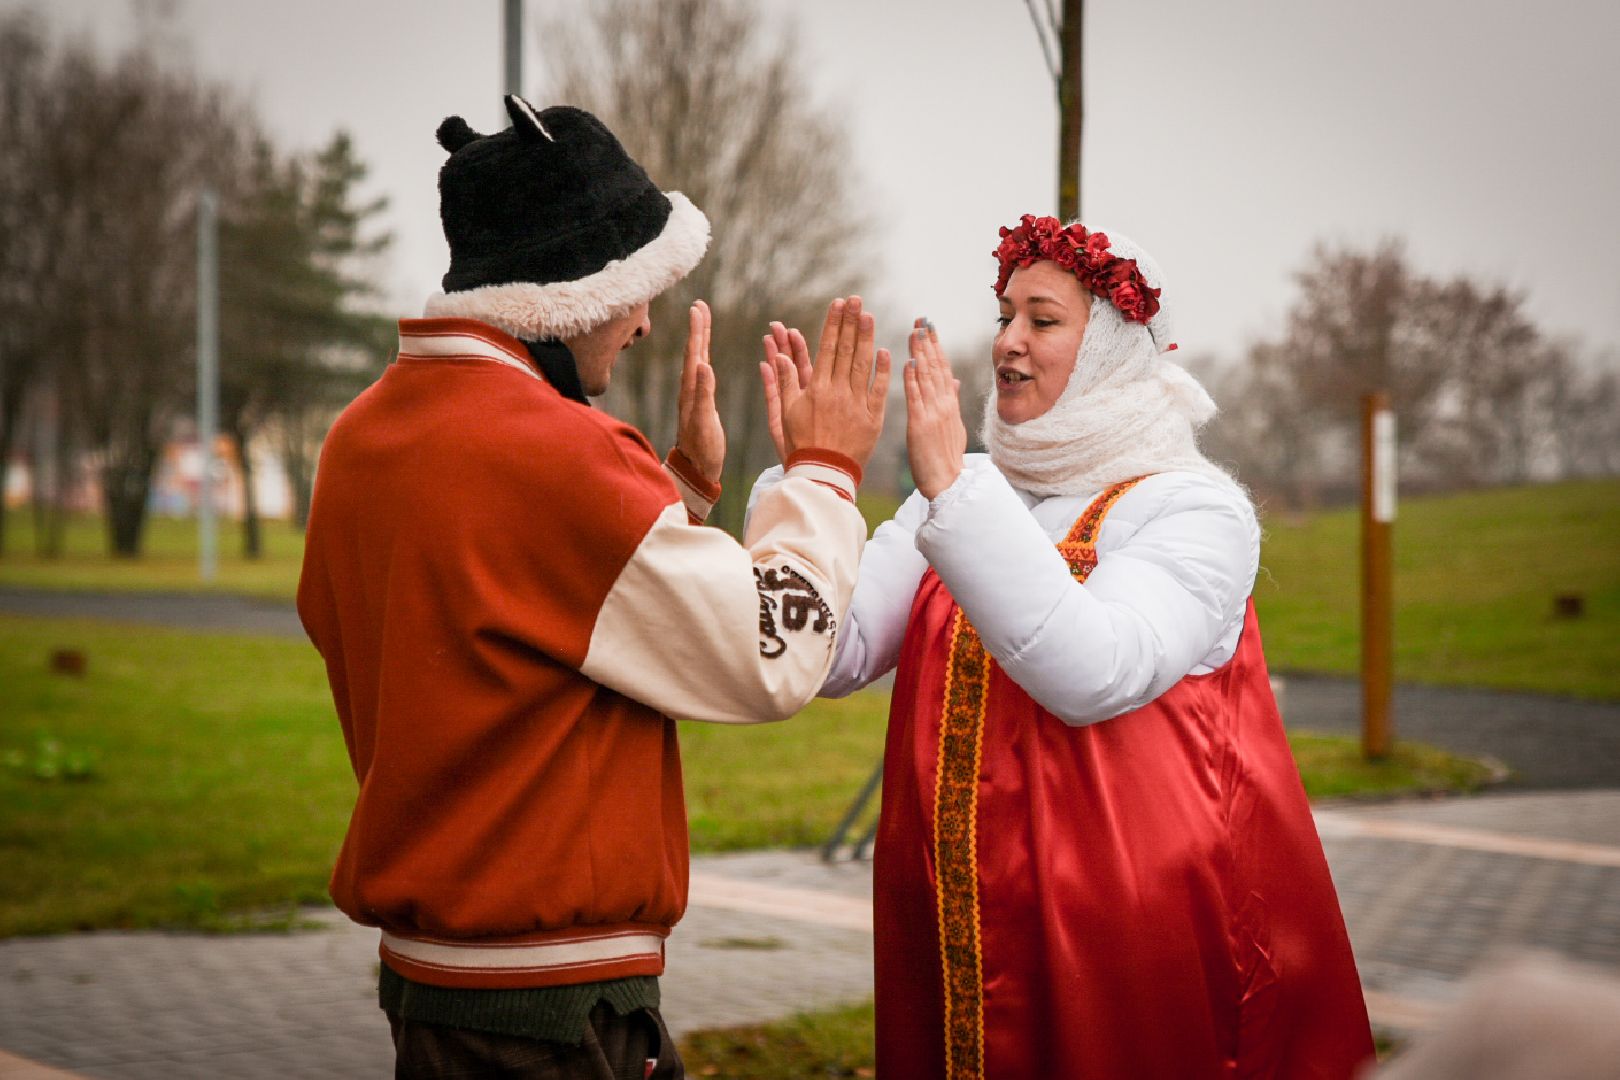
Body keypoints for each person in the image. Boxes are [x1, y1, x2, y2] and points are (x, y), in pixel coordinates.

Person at [296, 95, 891, 1079]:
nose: (649, 320)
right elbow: (767, 657)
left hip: (440, 998)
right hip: (548, 1017)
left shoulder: (364, 437)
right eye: (639, 287)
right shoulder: (555, 456)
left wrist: (682, 495)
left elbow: (526, 628)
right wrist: (823, 472)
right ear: (574, 289)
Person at [752, 215, 1375, 1078]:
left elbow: (1094, 671)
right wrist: (809, 477)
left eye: (1042, 320)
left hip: (1121, 932)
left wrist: (949, 490)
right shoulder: (964, 488)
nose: (1007, 340)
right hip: (957, 914)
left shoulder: (1193, 509)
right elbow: (834, 652)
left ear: (1114, 349)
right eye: (1004, 315)